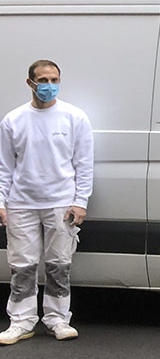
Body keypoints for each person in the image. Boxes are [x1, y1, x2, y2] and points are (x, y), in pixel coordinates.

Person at [0, 60, 93, 344]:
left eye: (54, 79)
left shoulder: (74, 117)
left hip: (61, 203)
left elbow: (84, 164)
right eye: (43, 80)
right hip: (21, 203)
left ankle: (57, 319)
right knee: (22, 266)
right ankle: (21, 321)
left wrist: (80, 201)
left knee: (58, 264)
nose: (49, 86)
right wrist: (1, 201)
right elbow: (4, 166)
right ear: (30, 83)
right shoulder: (13, 120)